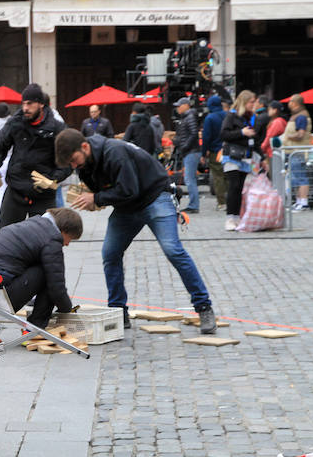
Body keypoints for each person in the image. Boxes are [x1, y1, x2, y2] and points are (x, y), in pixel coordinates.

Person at [55, 128, 217, 334]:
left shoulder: (114, 152)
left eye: (73, 160)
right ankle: (118, 312)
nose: (73, 166)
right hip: (128, 207)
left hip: (156, 197)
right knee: (110, 253)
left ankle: (204, 307)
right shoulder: (84, 164)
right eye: (69, 163)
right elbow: (109, 192)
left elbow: (128, 189)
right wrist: (95, 199)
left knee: (173, 250)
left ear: (85, 147)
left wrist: (96, 199)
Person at [0, 208, 82, 329]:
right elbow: (57, 286)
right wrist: (66, 310)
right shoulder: (51, 238)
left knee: (43, 267)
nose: (67, 244)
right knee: (47, 274)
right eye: (70, 239)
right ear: (64, 230)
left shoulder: (33, 224)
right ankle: (35, 329)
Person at [0, 83, 71, 230]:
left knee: (45, 237)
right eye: (23, 103)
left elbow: (69, 160)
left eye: (30, 104)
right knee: (4, 236)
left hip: (43, 193)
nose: (25, 108)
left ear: (41, 104)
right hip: (16, 189)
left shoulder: (57, 127)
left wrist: (53, 179)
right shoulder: (14, 123)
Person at [220, 90, 258, 231]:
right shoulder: (231, 116)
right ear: (244, 102)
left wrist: (260, 157)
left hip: (245, 156)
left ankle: (237, 217)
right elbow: (224, 134)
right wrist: (242, 132)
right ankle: (230, 218)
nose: (253, 104)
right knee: (234, 186)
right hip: (232, 156)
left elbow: (254, 139)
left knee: (240, 188)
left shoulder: (249, 117)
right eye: (251, 102)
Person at [283, 93, 312, 212]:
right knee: (296, 177)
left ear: (295, 103)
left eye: (290, 101)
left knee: (301, 177)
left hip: (297, 151)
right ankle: (299, 201)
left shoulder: (301, 117)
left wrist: (288, 137)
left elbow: (300, 135)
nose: (289, 103)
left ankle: (304, 203)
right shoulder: (298, 116)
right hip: (293, 151)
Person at [172, 97, 200, 213]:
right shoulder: (187, 117)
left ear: (186, 105)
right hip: (190, 151)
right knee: (189, 178)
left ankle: (194, 205)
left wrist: (184, 146)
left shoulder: (189, 117)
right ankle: (193, 204)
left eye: (179, 106)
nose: (177, 108)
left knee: (189, 179)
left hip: (191, 151)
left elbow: (194, 134)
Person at [200, 95, 228, 211]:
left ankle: (222, 202)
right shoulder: (227, 115)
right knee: (228, 176)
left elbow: (206, 137)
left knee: (218, 177)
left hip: (215, 151)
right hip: (229, 150)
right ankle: (231, 200)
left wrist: (203, 153)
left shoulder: (210, 118)